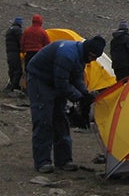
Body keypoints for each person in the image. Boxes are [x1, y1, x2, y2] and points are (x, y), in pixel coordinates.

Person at [26, 35, 106, 173]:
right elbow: (61, 83)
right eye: (93, 56)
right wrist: (78, 98)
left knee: (61, 119)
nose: (93, 60)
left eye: (96, 57)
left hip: (55, 80)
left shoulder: (81, 56)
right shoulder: (67, 55)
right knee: (44, 119)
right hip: (40, 80)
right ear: (88, 51)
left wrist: (85, 93)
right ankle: (42, 161)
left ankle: (63, 160)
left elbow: (76, 77)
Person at [20, 14, 51, 87]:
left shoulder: (27, 31)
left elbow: (22, 42)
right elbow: (47, 44)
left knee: (29, 71)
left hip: (28, 54)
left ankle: (28, 88)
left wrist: (23, 51)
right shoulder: (42, 32)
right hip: (39, 54)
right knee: (38, 71)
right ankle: (37, 88)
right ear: (40, 22)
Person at [3, 16, 24, 93]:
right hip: (15, 53)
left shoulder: (9, 30)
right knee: (18, 70)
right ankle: (14, 87)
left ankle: (11, 84)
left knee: (12, 69)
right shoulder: (17, 30)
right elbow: (21, 41)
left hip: (9, 52)